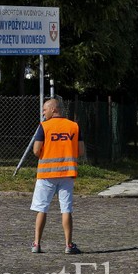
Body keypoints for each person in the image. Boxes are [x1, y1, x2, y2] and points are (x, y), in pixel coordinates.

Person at [30, 98, 85, 254]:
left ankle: (36, 244)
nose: (43, 113)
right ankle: (68, 245)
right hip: (67, 174)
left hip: (46, 174)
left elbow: (36, 150)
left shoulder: (44, 127)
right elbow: (80, 151)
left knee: (42, 209)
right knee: (66, 209)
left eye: (44, 110)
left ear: (54, 109)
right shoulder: (74, 126)